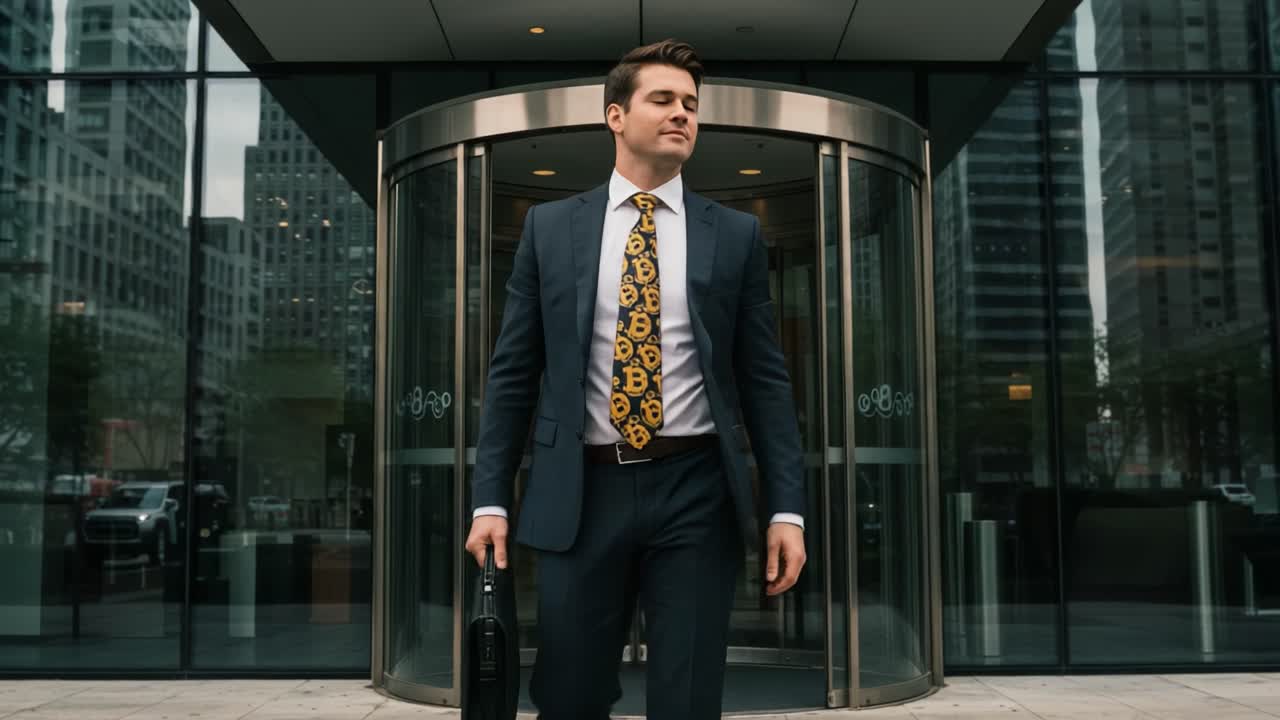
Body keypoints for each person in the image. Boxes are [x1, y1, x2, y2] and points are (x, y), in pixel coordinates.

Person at [464, 38, 806, 720]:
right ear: (615, 116)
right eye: (663, 99)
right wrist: (489, 500)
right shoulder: (549, 228)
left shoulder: (734, 235)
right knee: (570, 695)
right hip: (582, 490)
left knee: (688, 698)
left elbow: (765, 380)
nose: (682, 114)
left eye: (691, 105)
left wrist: (786, 511)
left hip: (696, 489)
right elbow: (512, 374)